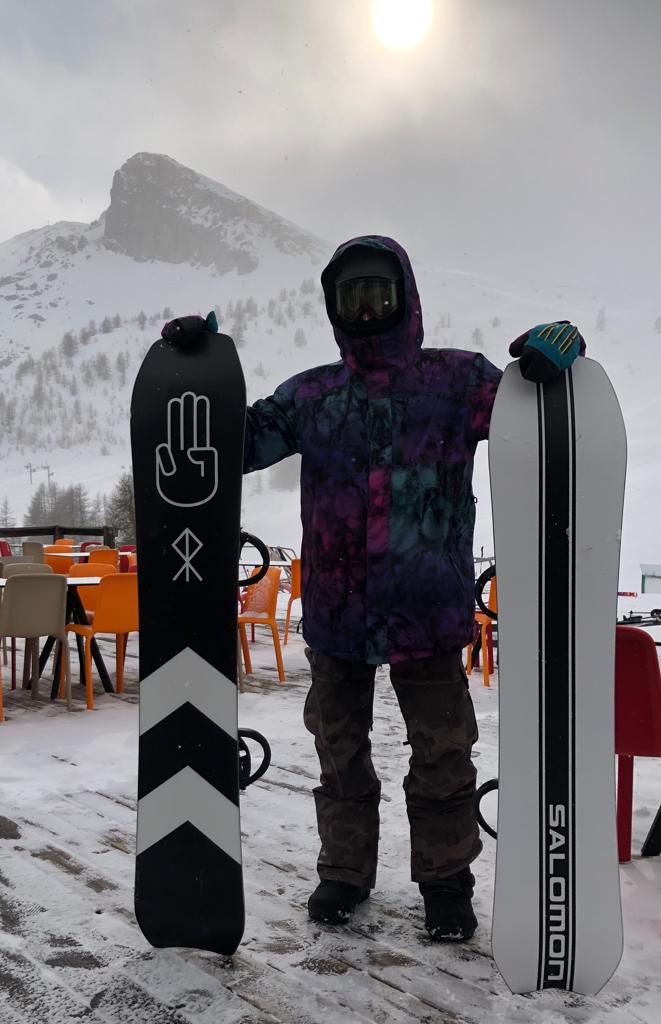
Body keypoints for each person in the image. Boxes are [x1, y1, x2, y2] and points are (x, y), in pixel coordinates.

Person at [164, 235, 584, 941]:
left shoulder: (456, 381)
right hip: (339, 614)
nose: (364, 311)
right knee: (339, 754)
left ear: (404, 297)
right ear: (333, 306)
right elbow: (234, 445)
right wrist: (194, 375)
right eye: (350, 297)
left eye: (377, 294)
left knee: (443, 754)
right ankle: (345, 871)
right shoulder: (312, 395)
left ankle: (445, 882)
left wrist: (558, 347)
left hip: (428, 612)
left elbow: (529, 405)